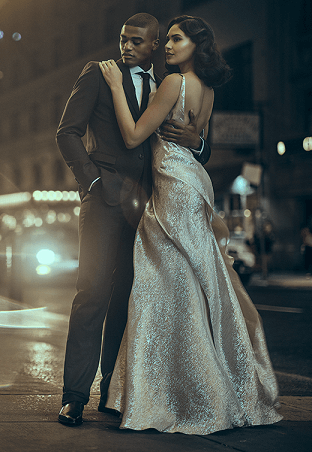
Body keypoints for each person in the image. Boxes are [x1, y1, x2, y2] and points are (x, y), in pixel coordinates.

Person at [99, 15, 282, 434]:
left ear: (196, 45)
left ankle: (174, 393)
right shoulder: (209, 89)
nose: (167, 46)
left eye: (176, 39)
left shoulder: (174, 84)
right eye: (168, 39)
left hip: (173, 191)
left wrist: (114, 87)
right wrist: (197, 144)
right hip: (192, 183)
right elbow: (195, 141)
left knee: (162, 285)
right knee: (196, 280)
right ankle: (200, 386)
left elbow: (132, 137)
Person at [55, 13, 211, 427]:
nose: (126, 46)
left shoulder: (166, 86)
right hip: (103, 202)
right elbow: (66, 132)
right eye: (123, 38)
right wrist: (91, 181)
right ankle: (74, 396)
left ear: (155, 44)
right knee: (92, 294)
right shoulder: (99, 74)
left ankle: (112, 391)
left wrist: (200, 143)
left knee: (129, 299)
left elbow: (183, 142)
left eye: (137, 41)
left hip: (148, 209)